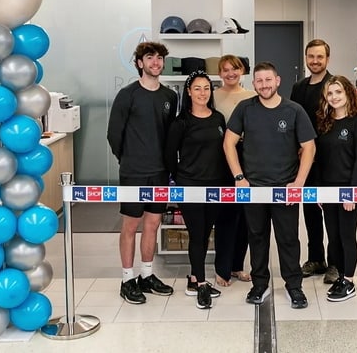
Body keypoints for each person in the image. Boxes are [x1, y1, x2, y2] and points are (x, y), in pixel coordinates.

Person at [223, 62, 316, 309]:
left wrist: (298, 183)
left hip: (284, 189)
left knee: (288, 239)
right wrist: (239, 178)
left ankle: (294, 286)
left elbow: (309, 147)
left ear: (278, 81)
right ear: (254, 84)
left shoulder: (294, 110)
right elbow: (228, 142)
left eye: (268, 80)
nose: (264, 85)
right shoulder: (245, 108)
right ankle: (259, 284)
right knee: (257, 238)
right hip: (254, 189)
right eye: (259, 81)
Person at [107, 41, 177, 305]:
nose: (156, 62)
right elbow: (114, 135)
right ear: (140, 63)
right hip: (134, 172)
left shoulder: (170, 97)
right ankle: (127, 279)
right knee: (130, 225)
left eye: (159, 58)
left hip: (160, 172)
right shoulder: (127, 95)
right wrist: (128, 161)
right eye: (150, 58)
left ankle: (146, 275)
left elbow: (170, 136)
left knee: (152, 224)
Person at [164, 70, 230, 309]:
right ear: (189, 92)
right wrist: (181, 178)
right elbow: (170, 156)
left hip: (214, 186)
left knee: (204, 234)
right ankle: (202, 284)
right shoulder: (181, 123)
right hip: (190, 186)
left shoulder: (218, 119)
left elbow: (223, 153)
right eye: (197, 89)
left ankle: (193, 278)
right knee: (197, 233)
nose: (203, 93)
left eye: (206, 88)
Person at [314, 75, 357, 302]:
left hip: (349, 188)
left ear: (348, 94)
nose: (334, 97)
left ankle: (349, 280)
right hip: (327, 189)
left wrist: (353, 192)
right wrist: (317, 191)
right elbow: (319, 158)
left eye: (338, 92)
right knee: (333, 236)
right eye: (330, 93)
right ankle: (339, 277)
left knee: (347, 235)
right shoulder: (324, 122)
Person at [289, 39, 336, 283]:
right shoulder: (299, 87)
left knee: (331, 211)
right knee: (309, 211)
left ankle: (335, 262)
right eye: (311, 57)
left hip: (330, 159)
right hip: (305, 160)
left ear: (328, 59)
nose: (315, 61)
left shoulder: (335, 86)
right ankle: (316, 258)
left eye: (320, 57)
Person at [212, 55, 256, 287]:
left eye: (235, 69)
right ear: (220, 73)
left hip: (247, 158)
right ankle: (222, 269)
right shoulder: (212, 96)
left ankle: (238, 266)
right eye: (226, 70)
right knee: (226, 217)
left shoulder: (251, 96)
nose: (230, 73)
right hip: (221, 159)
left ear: (242, 71)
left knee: (246, 218)